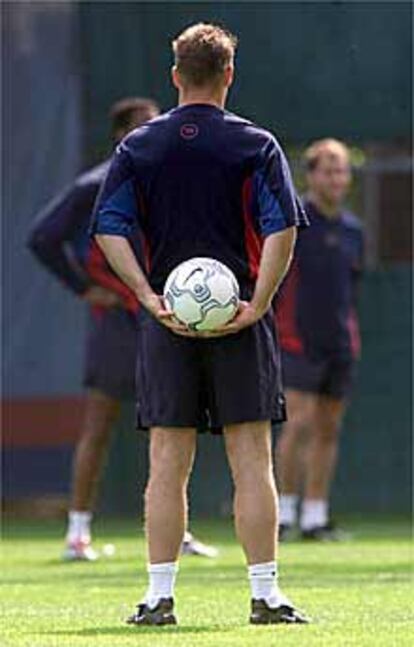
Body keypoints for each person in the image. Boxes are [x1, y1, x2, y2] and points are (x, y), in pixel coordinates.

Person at [92, 23, 309, 626]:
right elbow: (282, 227)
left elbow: (108, 225)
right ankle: (266, 597)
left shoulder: (140, 145)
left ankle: (159, 598)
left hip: (166, 320)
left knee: (167, 459)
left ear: (175, 76)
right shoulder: (256, 144)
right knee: (251, 459)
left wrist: (145, 293)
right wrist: (259, 301)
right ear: (230, 75)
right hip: (241, 315)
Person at [27, 96, 218, 561]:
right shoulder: (94, 186)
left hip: (165, 320)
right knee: (99, 426)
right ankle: (77, 533)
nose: (158, 132)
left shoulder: (167, 181)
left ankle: (176, 532)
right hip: (116, 324)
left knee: (170, 426)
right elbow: (43, 237)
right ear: (122, 134)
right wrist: (84, 288)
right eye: (147, 126)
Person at [275, 139, 364, 541]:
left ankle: (315, 516)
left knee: (329, 428)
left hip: (339, 345)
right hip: (297, 341)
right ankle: (283, 513)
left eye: (341, 170)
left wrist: (350, 336)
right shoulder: (295, 222)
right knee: (300, 423)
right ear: (310, 176)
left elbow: (351, 289)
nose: (335, 178)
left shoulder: (353, 231)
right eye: (327, 170)